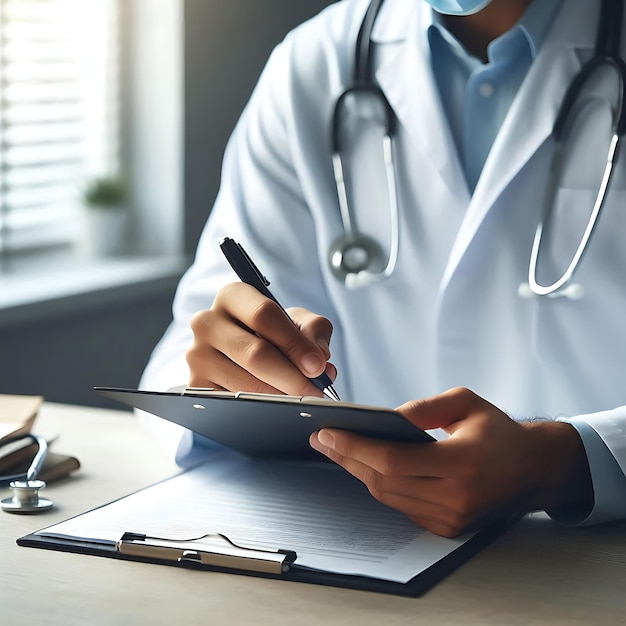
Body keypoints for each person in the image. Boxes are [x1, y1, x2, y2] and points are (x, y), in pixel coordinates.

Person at [140, 0, 626, 538]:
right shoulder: (315, 61)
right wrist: (232, 382)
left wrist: (567, 462)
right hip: (362, 542)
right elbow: (194, 341)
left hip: (593, 560)